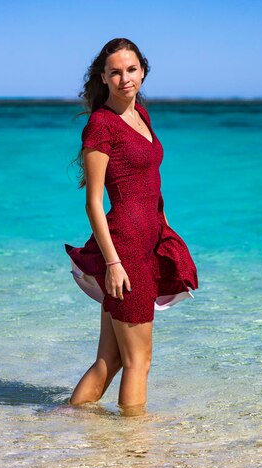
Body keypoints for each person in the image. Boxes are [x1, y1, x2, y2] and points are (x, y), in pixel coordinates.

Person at [63, 38, 199, 416]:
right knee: (139, 360)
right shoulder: (100, 126)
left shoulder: (142, 114)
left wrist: (166, 231)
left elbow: (152, 181)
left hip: (149, 242)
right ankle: (133, 449)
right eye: (116, 72)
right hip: (124, 249)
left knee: (111, 360)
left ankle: (64, 422)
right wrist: (113, 262)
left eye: (132, 69)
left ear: (143, 71)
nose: (126, 78)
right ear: (103, 78)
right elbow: (93, 204)